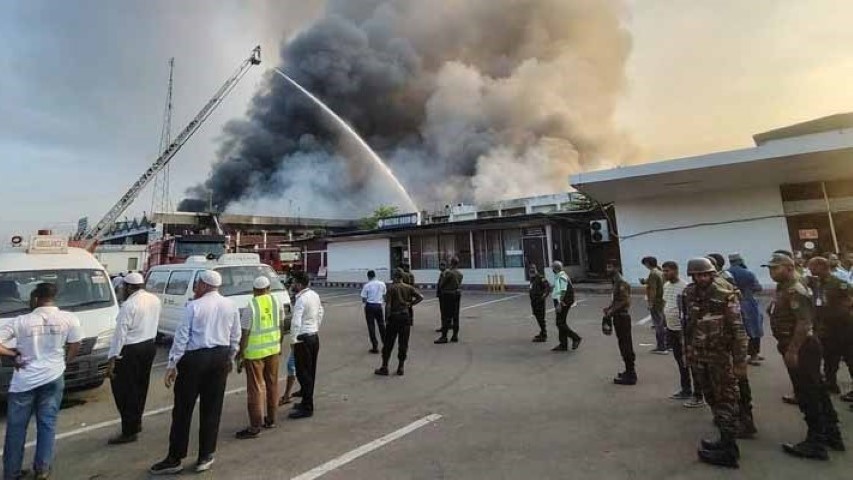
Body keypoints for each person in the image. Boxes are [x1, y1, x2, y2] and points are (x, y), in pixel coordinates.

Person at [150, 270, 241, 475]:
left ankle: (175, 457)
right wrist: (230, 358)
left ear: (204, 285)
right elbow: (235, 335)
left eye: (198, 284)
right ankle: (205, 455)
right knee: (212, 408)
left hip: (194, 360)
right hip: (220, 357)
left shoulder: (193, 306)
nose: (196, 288)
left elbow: (181, 337)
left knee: (182, 409)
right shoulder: (230, 306)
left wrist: (172, 364)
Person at [762, 253, 843, 459]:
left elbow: (804, 323)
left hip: (801, 347)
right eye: (770, 269)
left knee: (807, 393)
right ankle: (831, 434)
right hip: (797, 345)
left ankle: (816, 442)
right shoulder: (784, 288)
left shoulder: (794, 289)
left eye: (775, 268)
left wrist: (793, 350)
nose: (771, 272)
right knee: (817, 389)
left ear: (789, 268)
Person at [0, 283, 83, 480]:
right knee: (47, 424)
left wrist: (12, 355)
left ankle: (11, 473)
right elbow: (76, 344)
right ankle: (42, 470)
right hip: (53, 378)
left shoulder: (21, 321)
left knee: (16, 428)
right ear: (53, 298)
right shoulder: (69, 319)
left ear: (36, 299)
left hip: (24, 382)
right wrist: (65, 361)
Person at [682, 257, 748, 468]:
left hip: (720, 357)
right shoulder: (690, 293)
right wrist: (688, 351)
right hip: (700, 356)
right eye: (697, 275)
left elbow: (739, 331)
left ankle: (730, 450)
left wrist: (740, 362)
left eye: (705, 274)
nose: (701, 278)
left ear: (712, 274)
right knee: (711, 397)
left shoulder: (725, 294)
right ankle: (723, 440)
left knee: (725, 399)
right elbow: (688, 325)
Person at [106, 272, 161, 445]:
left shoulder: (129, 305)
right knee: (140, 387)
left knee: (124, 391)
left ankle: (129, 430)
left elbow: (120, 334)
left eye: (123, 288)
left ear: (129, 287)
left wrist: (112, 358)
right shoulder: (154, 299)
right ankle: (136, 422)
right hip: (148, 346)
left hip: (130, 350)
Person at [234, 276, 286, 439]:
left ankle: (255, 426)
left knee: (256, 389)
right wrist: (279, 344)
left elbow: (245, 332)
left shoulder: (252, 306)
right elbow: (282, 326)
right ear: (268, 288)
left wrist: (240, 354)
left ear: (254, 291)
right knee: (272, 384)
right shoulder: (277, 302)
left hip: (254, 353)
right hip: (273, 350)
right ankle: (271, 420)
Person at [805, 257, 853, 397]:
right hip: (826, 328)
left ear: (821, 267)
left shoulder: (839, 283)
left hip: (843, 327)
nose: (810, 270)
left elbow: (850, 298)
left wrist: (844, 311)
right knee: (829, 357)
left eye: (812, 267)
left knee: (850, 357)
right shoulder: (816, 283)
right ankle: (831, 383)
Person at [288, 271, 323, 419]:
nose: (292, 285)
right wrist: (315, 327)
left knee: (303, 373)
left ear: (299, 284)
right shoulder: (314, 295)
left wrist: (293, 341)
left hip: (302, 339)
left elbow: (295, 322)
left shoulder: (301, 299)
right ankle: (305, 401)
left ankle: (307, 407)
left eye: (294, 282)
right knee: (311, 372)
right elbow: (321, 311)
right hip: (313, 336)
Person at [375, 270, 424, 376]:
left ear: (396, 277)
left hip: (394, 317)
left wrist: (386, 318)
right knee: (403, 343)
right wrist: (410, 304)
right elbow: (420, 297)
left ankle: (385, 366)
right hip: (405, 317)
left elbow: (388, 305)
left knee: (388, 343)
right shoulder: (409, 287)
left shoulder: (392, 288)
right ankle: (401, 367)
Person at [661, 261, 693, 400]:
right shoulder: (666, 285)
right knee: (679, 360)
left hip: (682, 330)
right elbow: (665, 303)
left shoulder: (684, 287)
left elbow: (688, 309)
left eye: (667, 271)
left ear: (675, 270)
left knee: (687, 361)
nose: (665, 273)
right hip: (671, 328)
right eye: (664, 271)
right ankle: (685, 388)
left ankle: (692, 391)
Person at [727, 254, 764, 366]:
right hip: (748, 303)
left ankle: (739, 356)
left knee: (738, 331)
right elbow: (758, 288)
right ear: (740, 261)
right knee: (754, 329)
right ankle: (754, 355)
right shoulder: (747, 273)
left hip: (733, 304)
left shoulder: (727, 274)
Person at [602, 260, 635, 385]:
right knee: (622, 345)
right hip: (617, 316)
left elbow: (624, 301)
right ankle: (628, 370)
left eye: (610, 267)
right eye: (607, 266)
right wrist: (609, 307)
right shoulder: (615, 281)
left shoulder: (621, 282)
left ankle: (631, 374)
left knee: (626, 345)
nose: (607, 269)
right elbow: (616, 299)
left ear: (617, 267)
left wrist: (611, 311)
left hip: (622, 317)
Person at [550, 261, 581, 352]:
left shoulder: (562, 277)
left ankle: (576, 338)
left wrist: (560, 303)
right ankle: (563, 344)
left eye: (553, 268)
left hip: (564, 302)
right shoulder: (560, 275)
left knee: (560, 323)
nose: (552, 270)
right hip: (563, 302)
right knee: (561, 322)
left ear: (555, 269)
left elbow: (563, 291)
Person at [641, 257, 667, 354]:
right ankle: (667, 344)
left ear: (648, 263)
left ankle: (661, 347)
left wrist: (650, 303)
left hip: (656, 302)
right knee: (663, 323)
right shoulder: (660, 272)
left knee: (658, 324)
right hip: (663, 300)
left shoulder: (653, 274)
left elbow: (652, 289)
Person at [435, 257, 463, 344]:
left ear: (451, 263)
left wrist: (443, 278)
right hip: (456, 294)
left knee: (446, 316)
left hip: (448, 295)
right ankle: (455, 336)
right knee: (455, 316)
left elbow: (442, 284)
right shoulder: (460, 274)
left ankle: (444, 336)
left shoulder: (449, 273)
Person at [360, 270, 386, 354]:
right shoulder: (382, 284)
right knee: (381, 325)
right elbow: (384, 295)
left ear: (368, 276)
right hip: (379, 306)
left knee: (371, 326)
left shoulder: (367, 285)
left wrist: (366, 304)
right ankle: (385, 344)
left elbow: (363, 298)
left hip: (370, 306)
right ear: (375, 275)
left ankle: (375, 346)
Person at [528, 264, 551, 342]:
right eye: (530, 270)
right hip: (534, 302)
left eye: (533, 270)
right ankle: (542, 332)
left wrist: (544, 296)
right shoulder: (532, 279)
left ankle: (544, 334)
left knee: (541, 318)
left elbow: (547, 287)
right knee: (538, 317)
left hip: (539, 301)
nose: (531, 272)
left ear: (536, 270)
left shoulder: (540, 278)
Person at [435, 262, 447, 333]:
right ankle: (446, 325)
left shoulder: (444, 274)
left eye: (440, 266)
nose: (439, 268)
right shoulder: (443, 273)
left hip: (443, 295)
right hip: (442, 295)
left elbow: (442, 284)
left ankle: (444, 326)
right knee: (445, 312)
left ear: (444, 266)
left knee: (444, 312)